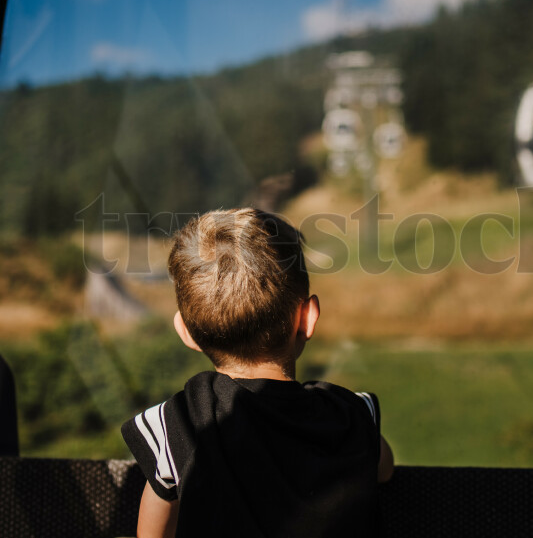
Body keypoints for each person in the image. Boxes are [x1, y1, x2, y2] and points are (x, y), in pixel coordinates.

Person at [122, 208, 394, 538]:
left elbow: (153, 533)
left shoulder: (180, 424)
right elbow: (384, 469)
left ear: (186, 332)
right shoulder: (350, 414)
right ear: (307, 318)